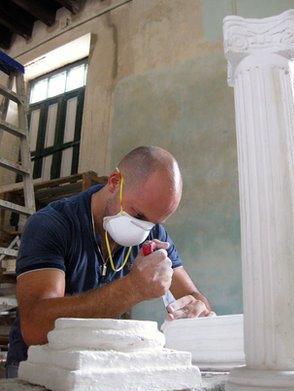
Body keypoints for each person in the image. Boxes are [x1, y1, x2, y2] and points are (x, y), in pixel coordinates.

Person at [6, 146, 212, 378]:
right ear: (115, 182)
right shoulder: (53, 224)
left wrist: (198, 307)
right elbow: (36, 326)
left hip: (97, 367)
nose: (143, 232)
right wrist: (133, 289)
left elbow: (194, 296)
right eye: (138, 216)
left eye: (155, 222)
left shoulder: (153, 233)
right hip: (36, 367)